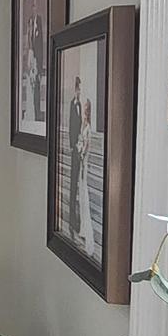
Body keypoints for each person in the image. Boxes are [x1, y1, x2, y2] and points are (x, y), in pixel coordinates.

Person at [77, 98, 97, 256]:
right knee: (81, 196)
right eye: (84, 110)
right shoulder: (83, 125)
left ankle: (86, 229)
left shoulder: (88, 128)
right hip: (81, 161)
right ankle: (82, 228)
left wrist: (82, 152)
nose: (85, 113)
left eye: (86, 110)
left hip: (84, 162)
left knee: (84, 195)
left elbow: (87, 145)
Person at [67, 75, 83, 237]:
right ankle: (72, 218)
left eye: (80, 89)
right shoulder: (73, 105)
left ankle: (77, 218)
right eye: (78, 89)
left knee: (79, 185)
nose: (79, 92)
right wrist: (73, 146)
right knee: (73, 185)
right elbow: (71, 126)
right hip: (75, 151)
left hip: (81, 149)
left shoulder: (81, 106)